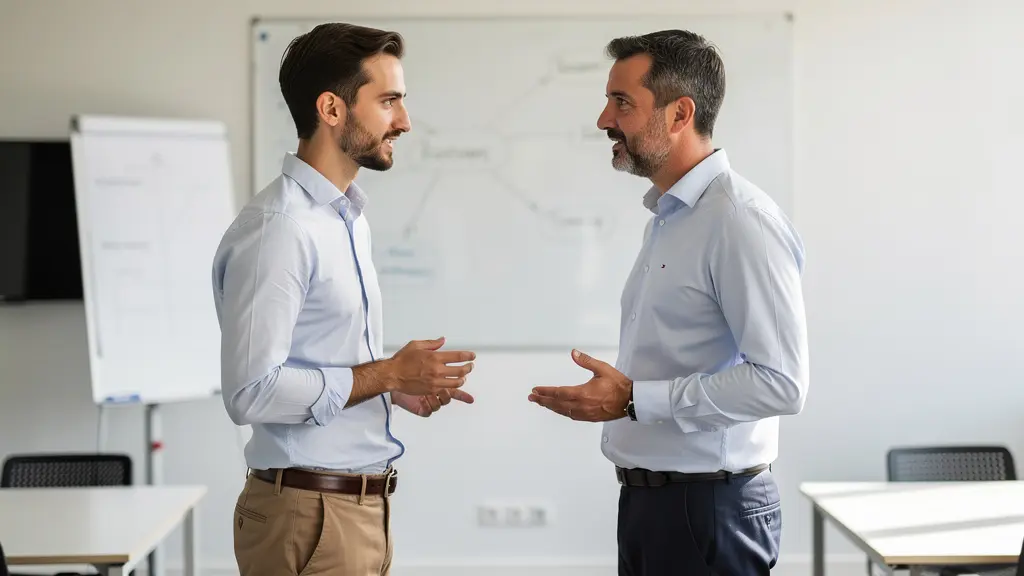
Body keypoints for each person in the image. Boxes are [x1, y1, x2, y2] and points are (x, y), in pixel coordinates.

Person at [528, 29, 809, 575]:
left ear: (680, 114)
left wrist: (635, 400)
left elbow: (782, 382)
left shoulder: (739, 221)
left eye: (622, 103)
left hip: (707, 512)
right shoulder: (671, 218)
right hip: (654, 507)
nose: (604, 120)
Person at [211, 23, 477, 576]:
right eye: (388, 102)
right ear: (331, 109)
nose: (403, 121)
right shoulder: (282, 229)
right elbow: (250, 393)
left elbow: (317, 363)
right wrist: (383, 376)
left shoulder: (344, 218)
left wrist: (395, 389)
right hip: (308, 519)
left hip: (350, 513)